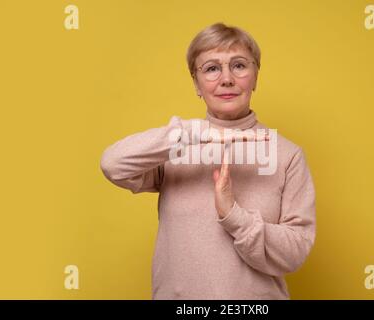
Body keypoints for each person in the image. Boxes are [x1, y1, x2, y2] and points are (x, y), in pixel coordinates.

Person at [100, 22, 316, 300]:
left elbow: (294, 252)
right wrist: (194, 133)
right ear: (196, 83)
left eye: (239, 66)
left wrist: (234, 216)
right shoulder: (176, 147)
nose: (227, 78)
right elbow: (113, 164)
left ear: (256, 77)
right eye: (212, 68)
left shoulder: (287, 155)